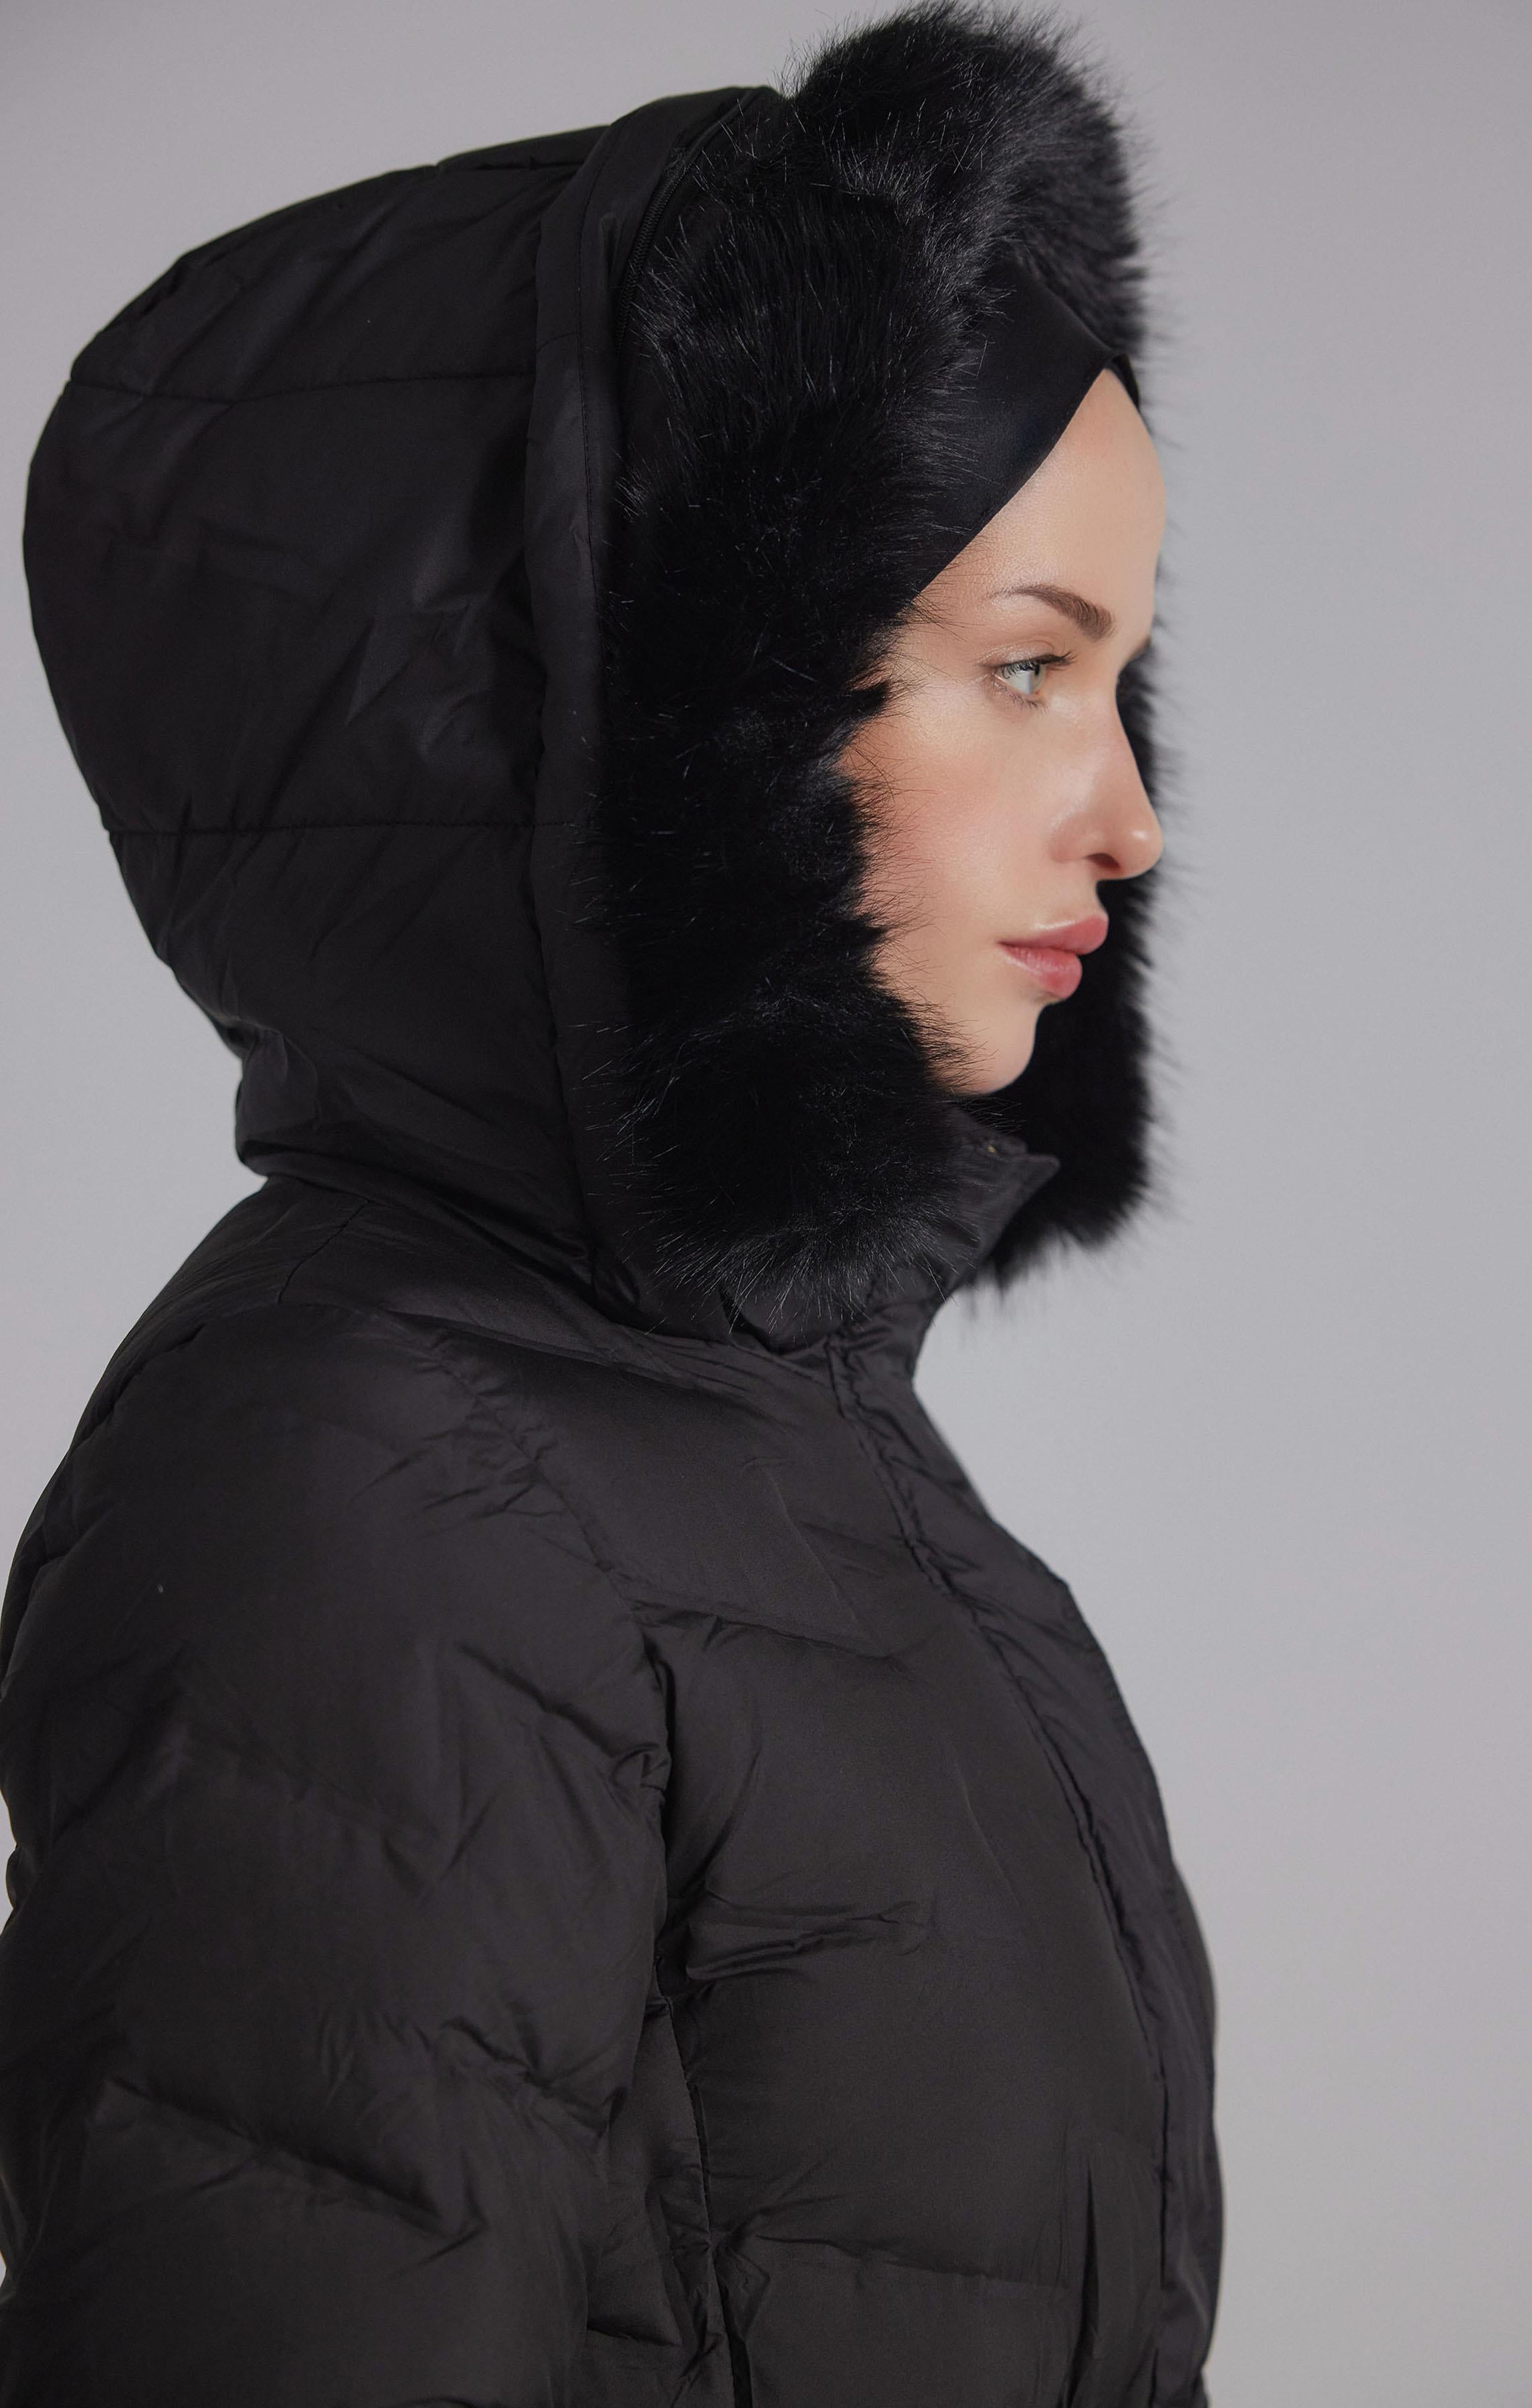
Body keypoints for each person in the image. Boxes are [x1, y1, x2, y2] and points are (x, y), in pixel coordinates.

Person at [0, 5, 1222, 2401]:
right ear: (657, 719)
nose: (1128, 815)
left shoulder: (744, 1422)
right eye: (1018, 669)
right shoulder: (365, 1492)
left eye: (1120, 680)